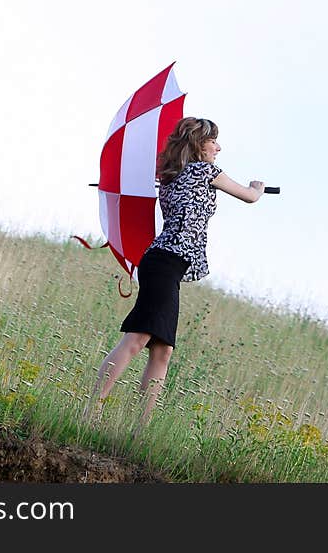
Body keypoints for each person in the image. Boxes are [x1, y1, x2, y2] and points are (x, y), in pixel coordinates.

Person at [84, 117, 264, 433]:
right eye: (213, 141)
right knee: (138, 338)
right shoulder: (205, 171)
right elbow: (249, 197)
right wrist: (257, 187)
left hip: (166, 264)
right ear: (198, 144)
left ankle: (140, 431)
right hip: (166, 262)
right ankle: (91, 411)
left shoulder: (171, 177)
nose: (218, 147)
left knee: (162, 349)